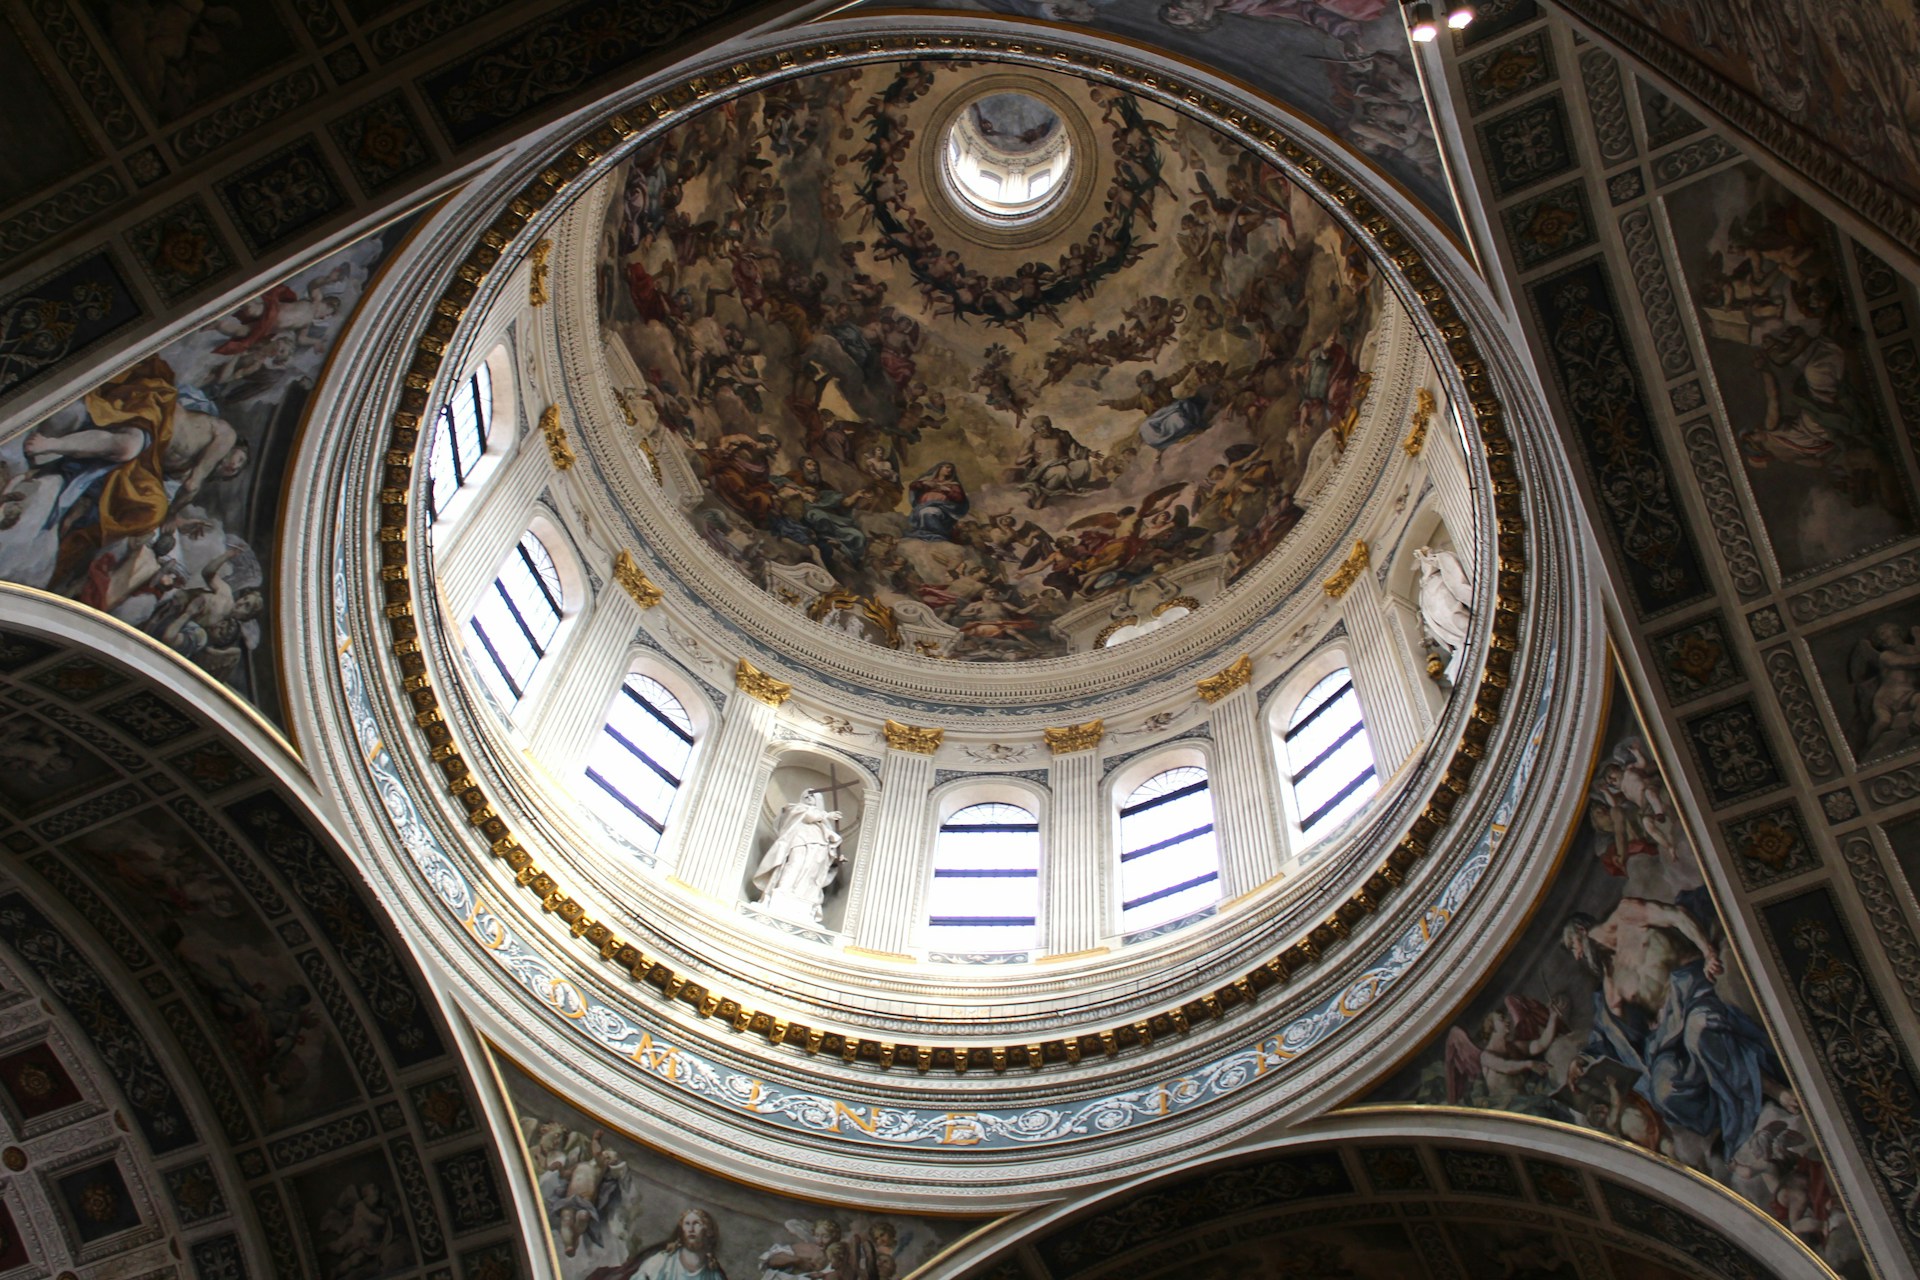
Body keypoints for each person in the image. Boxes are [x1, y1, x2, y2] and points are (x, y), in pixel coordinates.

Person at [751, 792, 845, 924]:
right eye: (806, 795)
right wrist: (827, 815)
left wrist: (835, 859)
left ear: (818, 800)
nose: (808, 797)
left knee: (811, 873)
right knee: (795, 865)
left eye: (812, 795)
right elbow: (809, 816)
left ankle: (803, 897)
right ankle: (782, 891)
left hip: (819, 847)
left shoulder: (822, 824)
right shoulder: (796, 808)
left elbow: (831, 841)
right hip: (799, 841)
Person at [589, 1208, 727, 1280]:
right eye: (687, 1224)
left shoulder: (713, 1275)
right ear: (682, 1230)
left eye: (697, 1224)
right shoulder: (661, 1262)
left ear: (707, 1231)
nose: (691, 1229)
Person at [905, 462, 969, 541]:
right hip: (924, 505)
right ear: (939, 468)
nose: (950, 470)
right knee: (924, 512)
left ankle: (938, 534)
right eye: (947, 467)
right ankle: (927, 533)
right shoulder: (929, 481)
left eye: (951, 469)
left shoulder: (953, 484)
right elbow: (913, 486)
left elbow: (959, 498)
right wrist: (924, 483)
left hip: (943, 509)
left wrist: (947, 491)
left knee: (928, 512)